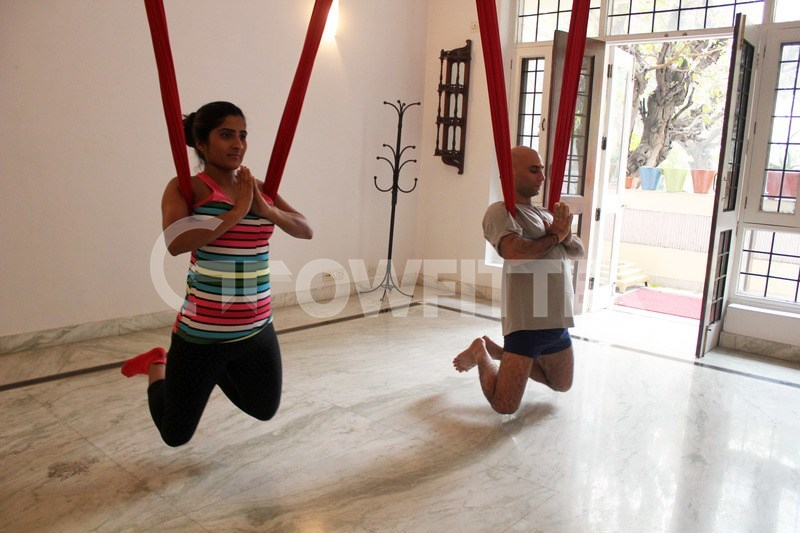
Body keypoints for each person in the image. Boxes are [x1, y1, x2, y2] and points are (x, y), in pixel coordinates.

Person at [121, 101, 313, 447]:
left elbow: (305, 229)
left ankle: (220, 367)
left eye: (242, 135)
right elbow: (176, 242)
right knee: (175, 435)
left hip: (256, 328)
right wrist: (237, 212)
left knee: (263, 409)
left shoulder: (257, 187)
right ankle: (156, 364)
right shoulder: (186, 188)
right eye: (226, 135)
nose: (238, 144)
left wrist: (265, 209)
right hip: (203, 336)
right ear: (201, 142)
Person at [453, 146, 585, 414]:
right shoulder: (501, 211)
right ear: (510, 173)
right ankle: (481, 352)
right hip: (528, 323)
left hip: (557, 319)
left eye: (542, 170)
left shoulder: (547, 213)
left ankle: (498, 352)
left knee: (561, 384)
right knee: (504, 405)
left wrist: (566, 236)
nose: (542, 177)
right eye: (534, 170)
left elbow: (578, 251)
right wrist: (554, 237)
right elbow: (514, 252)